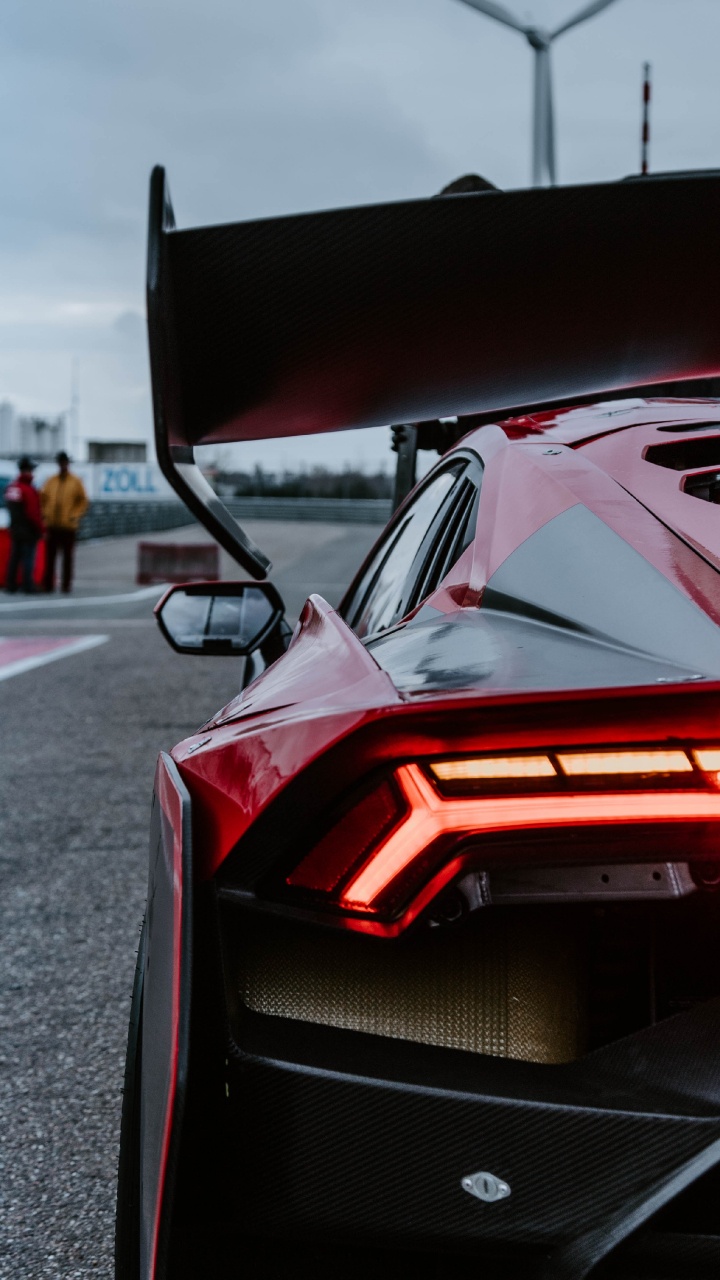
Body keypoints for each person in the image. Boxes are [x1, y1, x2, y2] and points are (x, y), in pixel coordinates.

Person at [41, 451, 90, 593]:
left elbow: (83, 501)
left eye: (64, 463)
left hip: (68, 526)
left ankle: (66, 585)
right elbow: (43, 499)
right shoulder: (51, 481)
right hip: (52, 525)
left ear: (67, 464)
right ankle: (48, 585)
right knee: (50, 557)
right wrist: (45, 515)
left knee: (67, 558)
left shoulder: (75, 481)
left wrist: (74, 515)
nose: (62, 465)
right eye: (60, 463)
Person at [4, 457, 44, 593]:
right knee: (28, 559)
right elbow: (33, 513)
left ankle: (11, 584)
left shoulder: (12, 488)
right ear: (27, 471)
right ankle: (28, 585)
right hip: (28, 530)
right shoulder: (28, 490)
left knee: (14, 558)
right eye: (31, 471)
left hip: (15, 528)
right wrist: (40, 529)